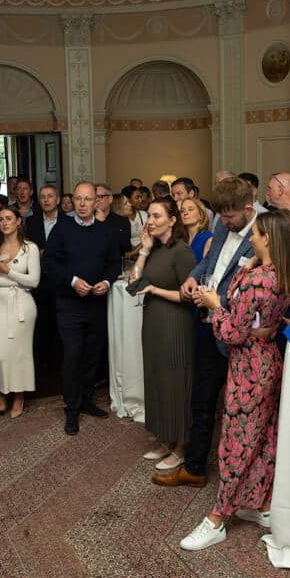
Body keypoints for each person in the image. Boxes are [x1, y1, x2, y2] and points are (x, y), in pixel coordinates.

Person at [179, 210, 290, 550]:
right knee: (263, 436)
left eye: (256, 234)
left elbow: (231, 331)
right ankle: (261, 503)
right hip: (269, 360)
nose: (251, 239)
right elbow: (260, 320)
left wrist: (215, 304)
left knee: (236, 440)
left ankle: (217, 519)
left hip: (249, 367)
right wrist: (248, 267)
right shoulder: (282, 273)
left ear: (268, 239)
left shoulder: (257, 279)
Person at [152, 176, 266, 488]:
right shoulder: (221, 227)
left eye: (230, 216)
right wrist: (192, 277)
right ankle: (195, 468)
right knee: (200, 401)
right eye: (222, 216)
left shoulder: (262, 234)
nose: (224, 222)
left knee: (241, 410)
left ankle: (242, 481)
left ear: (248, 208)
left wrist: (219, 302)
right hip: (207, 325)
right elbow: (209, 264)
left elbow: (261, 286)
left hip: (239, 333)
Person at [43, 181, 121, 435]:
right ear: (73, 201)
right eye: (78, 199)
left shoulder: (106, 231)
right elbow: (50, 263)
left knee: (92, 356)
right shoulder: (61, 228)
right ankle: (72, 408)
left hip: (96, 304)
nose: (83, 204)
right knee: (73, 356)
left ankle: (87, 400)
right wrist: (73, 281)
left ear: (96, 202)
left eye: (88, 199)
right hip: (69, 304)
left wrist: (106, 282)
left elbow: (114, 263)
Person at [130, 197, 197, 470]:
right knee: (156, 379)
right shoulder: (154, 248)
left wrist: (155, 290)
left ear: (172, 220)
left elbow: (190, 296)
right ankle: (166, 439)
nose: (150, 221)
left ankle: (181, 447)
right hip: (153, 323)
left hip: (175, 325)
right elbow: (134, 282)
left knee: (175, 384)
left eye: (157, 216)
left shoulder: (182, 251)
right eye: (149, 216)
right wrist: (144, 250)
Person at [0, 208, 40, 419]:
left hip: (23, 306)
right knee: (0, 354)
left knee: (20, 353)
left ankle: (19, 395)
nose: (5, 222)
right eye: (1, 219)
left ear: (18, 221)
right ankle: (3, 391)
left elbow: (34, 281)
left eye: (9, 218)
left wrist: (8, 272)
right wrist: (16, 281)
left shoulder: (30, 248)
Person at [26, 185, 63, 370]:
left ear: (58, 199)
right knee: (41, 322)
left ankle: (60, 361)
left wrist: (45, 252)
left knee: (60, 322)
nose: (46, 200)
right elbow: (26, 248)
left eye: (50, 196)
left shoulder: (67, 221)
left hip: (61, 279)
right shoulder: (31, 222)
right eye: (43, 197)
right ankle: (43, 362)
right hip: (38, 279)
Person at [94, 182, 132, 255]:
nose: (96, 200)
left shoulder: (122, 221)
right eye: (93, 197)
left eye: (100, 197)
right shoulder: (85, 220)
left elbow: (124, 248)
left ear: (110, 199)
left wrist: (103, 224)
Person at [181, 197, 213, 263]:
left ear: (201, 215)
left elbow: (207, 266)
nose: (185, 213)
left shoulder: (208, 239)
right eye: (182, 211)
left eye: (190, 209)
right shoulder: (181, 239)